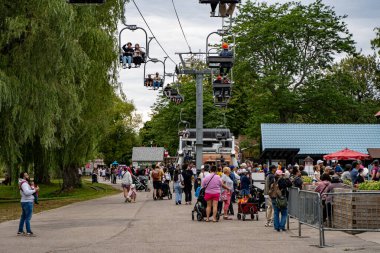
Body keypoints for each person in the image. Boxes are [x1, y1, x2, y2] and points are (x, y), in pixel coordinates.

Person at [18, 172, 39, 236]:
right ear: (24, 177)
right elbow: (27, 192)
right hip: (27, 202)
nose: (28, 176)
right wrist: (35, 190)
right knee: (28, 217)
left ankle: (20, 231)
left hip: (24, 201)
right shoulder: (24, 183)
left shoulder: (23, 183)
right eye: (26, 175)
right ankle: (29, 232)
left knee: (23, 217)